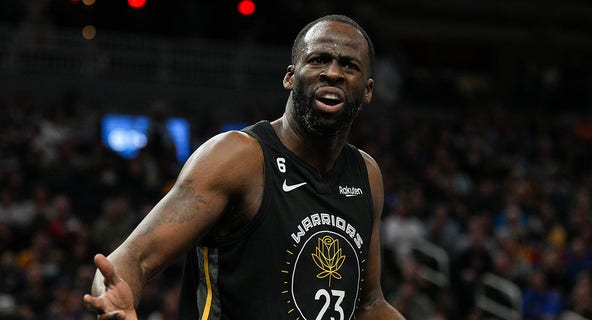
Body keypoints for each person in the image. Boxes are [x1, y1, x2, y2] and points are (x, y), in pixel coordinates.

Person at [83, 14, 406, 320]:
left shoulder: (366, 175)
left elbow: (369, 304)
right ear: (290, 77)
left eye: (348, 65)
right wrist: (113, 297)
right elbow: (133, 259)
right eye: (318, 59)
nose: (333, 73)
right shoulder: (238, 157)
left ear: (367, 91)